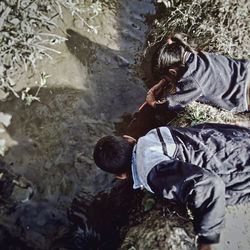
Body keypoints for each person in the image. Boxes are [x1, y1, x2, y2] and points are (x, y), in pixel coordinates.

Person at [93, 123, 250, 250]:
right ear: (129, 139)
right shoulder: (154, 134)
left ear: (120, 176)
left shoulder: (151, 172)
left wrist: (208, 241)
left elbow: (209, 185)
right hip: (240, 138)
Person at [145, 34, 250, 112]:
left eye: (165, 77)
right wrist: (162, 82)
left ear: (172, 72)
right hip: (246, 70)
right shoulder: (195, 55)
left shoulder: (192, 81)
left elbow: (172, 104)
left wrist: (154, 103)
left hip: (243, 95)